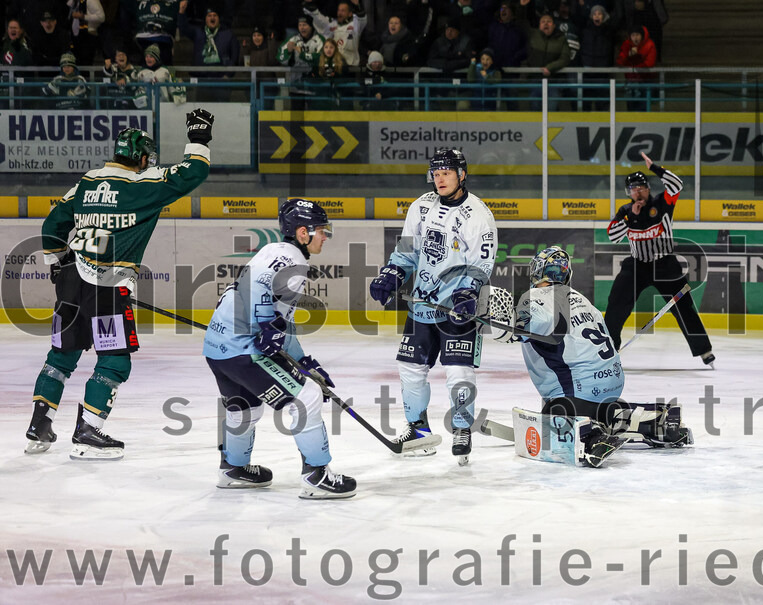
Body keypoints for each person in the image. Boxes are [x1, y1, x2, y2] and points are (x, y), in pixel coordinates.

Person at [25, 109, 214, 460]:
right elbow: (194, 172)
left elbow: (52, 225)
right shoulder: (144, 185)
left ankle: (40, 424)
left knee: (61, 356)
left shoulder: (86, 182)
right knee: (114, 360)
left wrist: (57, 262)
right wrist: (198, 139)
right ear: (142, 157)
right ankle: (88, 431)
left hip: (70, 284)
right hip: (110, 288)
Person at [202, 199, 356, 499]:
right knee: (308, 398)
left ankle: (233, 469)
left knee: (244, 409)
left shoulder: (272, 250)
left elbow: (280, 320)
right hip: (243, 350)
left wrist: (303, 362)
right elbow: (258, 291)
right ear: (303, 233)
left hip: (218, 348)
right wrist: (266, 324)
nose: (326, 236)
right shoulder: (293, 262)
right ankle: (317, 476)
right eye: (322, 231)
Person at [499, 246, 691, 467]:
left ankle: (591, 435)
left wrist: (508, 329)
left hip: (577, 395)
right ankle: (649, 420)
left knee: (554, 411)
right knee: (594, 406)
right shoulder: (580, 298)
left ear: (536, 271)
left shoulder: (535, 297)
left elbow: (525, 325)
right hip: (612, 385)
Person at [369, 148, 497, 461]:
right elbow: (407, 251)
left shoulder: (479, 215)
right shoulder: (421, 206)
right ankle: (419, 431)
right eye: (435, 173)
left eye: (446, 173)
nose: (439, 179)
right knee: (410, 367)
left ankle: (462, 427)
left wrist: (468, 292)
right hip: (423, 305)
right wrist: (392, 275)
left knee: (458, 371)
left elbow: (480, 263)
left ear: (462, 175)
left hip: (458, 308)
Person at [604, 150, 714, 367]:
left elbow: (677, 184)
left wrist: (654, 167)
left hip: (665, 265)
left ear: (648, 189)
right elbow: (612, 236)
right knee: (616, 304)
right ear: (628, 193)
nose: (637, 193)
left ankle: (704, 351)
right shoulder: (625, 211)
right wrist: (631, 218)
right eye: (633, 190)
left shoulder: (662, 203)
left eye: (641, 188)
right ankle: (608, 347)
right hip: (637, 265)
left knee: (684, 307)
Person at [177, 3, 240, 102]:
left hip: (221, 81)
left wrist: (228, 75)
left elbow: (235, 56)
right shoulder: (198, 33)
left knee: (222, 111)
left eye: (215, 15)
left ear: (219, 18)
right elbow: (183, 28)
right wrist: (181, 12)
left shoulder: (228, 34)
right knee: (204, 113)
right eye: (209, 15)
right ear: (205, 19)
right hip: (202, 80)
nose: (212, 17)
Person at [305, 0, 366, 67]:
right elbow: (320, 20)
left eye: (343, 11)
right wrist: (311, 6)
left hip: (350, 68)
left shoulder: (355, 25)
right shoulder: (332, 25)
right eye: (339, 10)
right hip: (333, 66)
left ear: (349, 13)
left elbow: (361, 18)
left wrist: (358, 7)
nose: (340, 13)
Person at [616, 24, 656, 111]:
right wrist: (629, 55)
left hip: (645, 82)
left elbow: (649, 63)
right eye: (633, 35)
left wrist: (635, 65)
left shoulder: (649, 44)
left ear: (642, 35)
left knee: (643, 109)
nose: (635, 38)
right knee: (631, 109)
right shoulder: (626, 44)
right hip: (630, 82)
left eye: (637, 35)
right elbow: (620, 61)